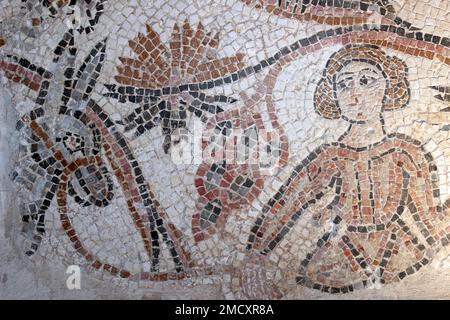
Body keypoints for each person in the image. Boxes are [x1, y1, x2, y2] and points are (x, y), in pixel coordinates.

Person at [246, 44, 450, 293]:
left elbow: (432, 223)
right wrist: (256, 255)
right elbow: (286, 205)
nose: (355, 93)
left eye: (367, 80)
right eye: (343, 84)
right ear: (333, 95)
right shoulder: (330, 158)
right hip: (338, 263)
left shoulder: (406, 153)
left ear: (388, 87)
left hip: (400, 257)